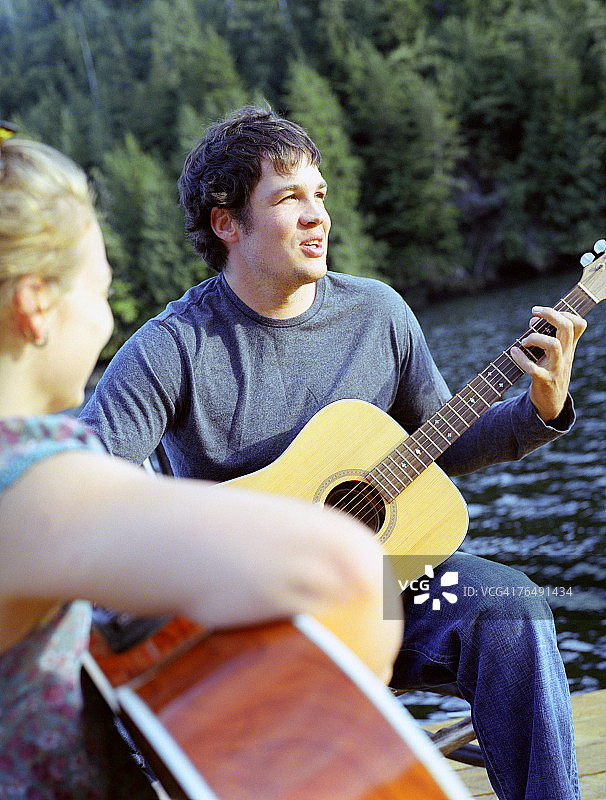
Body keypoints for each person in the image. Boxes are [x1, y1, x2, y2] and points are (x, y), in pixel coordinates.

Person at [80, 105, 587, 800]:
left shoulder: (378, 311)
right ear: (226, 223)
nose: (318, 214)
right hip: (247, 625)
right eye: (289, 198)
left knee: (509, 607)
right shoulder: (172, 348)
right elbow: (81, 487)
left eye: (320, 194)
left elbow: (440, 439)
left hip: (382, 586)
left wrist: (541, 409)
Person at [0, 133, 403, 798]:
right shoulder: (34, 482)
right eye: (101, 293)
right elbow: (347, 571)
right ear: (36, 307)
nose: (107, 320)